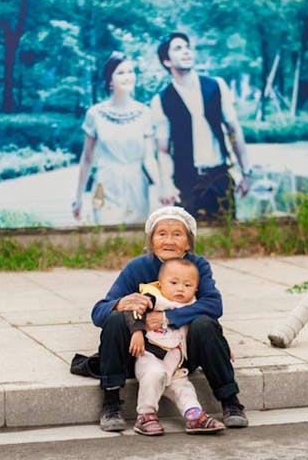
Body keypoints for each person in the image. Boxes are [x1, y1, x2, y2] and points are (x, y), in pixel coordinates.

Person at [91, 205, 248, 432]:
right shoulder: (138, 267)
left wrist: (166, 316)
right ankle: (111, 403)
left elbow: (214, 304)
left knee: (205, 324)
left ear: (188, 242)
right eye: (161, 234)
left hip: (181, 351)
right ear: (151, 240)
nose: (169, 241)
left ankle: (231, 403)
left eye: (177, 234)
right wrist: (119, 304)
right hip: (141, 351)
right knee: (115, 320)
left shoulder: (197, 265)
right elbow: (98, 313)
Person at [151, 32, 253, 221]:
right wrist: (166, 183)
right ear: (167, 61)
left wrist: (245, 171)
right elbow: (163, 150)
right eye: (178, 48)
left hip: (219, 175)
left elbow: (234, 131)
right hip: (186, 182)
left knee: (227, 236)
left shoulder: (216, 86)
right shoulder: (162, 100)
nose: (186, 52)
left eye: (187, 47)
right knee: (189, 243)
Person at [126, 258, 225, 435]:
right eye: (173, 283)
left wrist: (224, 345)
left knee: (184, 388)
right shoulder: (154, 297)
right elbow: (134, 311)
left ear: (195, 288)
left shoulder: (193, 305)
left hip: (176, 364)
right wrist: (137, 332)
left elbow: (210, 325)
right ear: (161, 284)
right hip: (150, 357)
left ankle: (194, 416)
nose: (180, 288)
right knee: (154, 376)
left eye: (187, 285)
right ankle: (146, 415)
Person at [72, 52, 162, 225]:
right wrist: (78, 197)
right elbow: (87, 158)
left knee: (135, 241)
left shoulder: (144, 113)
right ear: (110, 81)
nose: (127, 77)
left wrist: (162, 188)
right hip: (105, 183)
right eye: (121, 73)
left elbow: (149, 158)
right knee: (107, 236)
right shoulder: (95, 114)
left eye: (130, 72)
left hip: (136, 184)